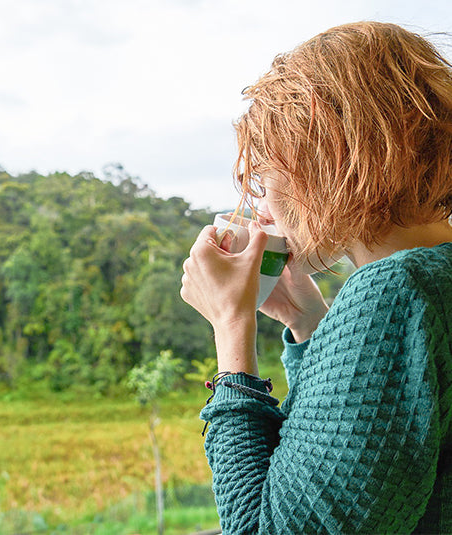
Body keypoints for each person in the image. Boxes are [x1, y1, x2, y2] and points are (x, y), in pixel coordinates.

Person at [180, 21, 452, 534]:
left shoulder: (392, 292)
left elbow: (268, 528)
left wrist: (230, 332)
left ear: (325, 158)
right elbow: (362, 460)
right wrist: (308, 322)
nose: (257, 201)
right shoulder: (431, 279)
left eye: (262, 175)